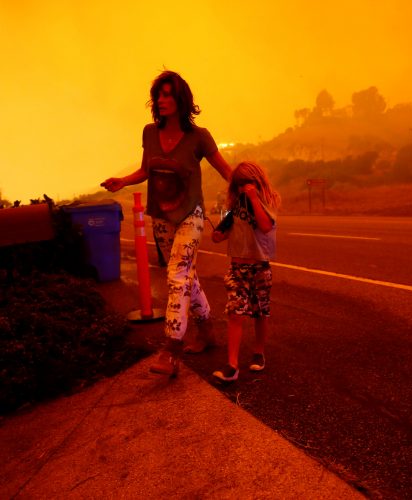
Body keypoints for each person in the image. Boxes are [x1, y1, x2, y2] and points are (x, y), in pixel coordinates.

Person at [101, 70, 232, 377]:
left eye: (168, 94)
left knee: (177, 274)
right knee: (187, 276)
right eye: (159, 95)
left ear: (181, 99)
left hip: (191, 215)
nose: (161, 100)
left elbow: (227, 170)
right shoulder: (149, 132)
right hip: (161, 217)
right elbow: (146, 169)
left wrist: (250, 187)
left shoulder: (199, 137)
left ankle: (171, 349)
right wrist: (123, 181)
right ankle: (207, 331)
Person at [211, 161, 280, 382]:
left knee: (260, 312)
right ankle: (232, 365)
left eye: (248, 182)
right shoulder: (235, 208)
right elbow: (221, 233)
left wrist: (253, 198)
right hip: (237, 267)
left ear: (258, 181)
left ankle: (259, 352)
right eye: (239, 184)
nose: (244, 188)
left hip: (259, 266)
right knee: (235, 312)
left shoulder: (267, 202)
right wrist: (219, 234)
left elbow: (265, 226)